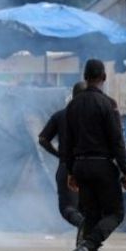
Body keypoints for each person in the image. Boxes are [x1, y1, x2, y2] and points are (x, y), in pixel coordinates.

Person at [65, 59, 126, 251]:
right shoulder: (108, 104)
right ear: (103, 78)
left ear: (85, 76)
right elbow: (116, 141)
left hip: (81, 166)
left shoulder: (72, 105)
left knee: (92, 215)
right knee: (115, 213)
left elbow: (67, 142)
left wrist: (70, 171)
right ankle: (88, 247)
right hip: (102, 165)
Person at [38, 81, 87, 234]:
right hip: (93, 167)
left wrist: (57, 154)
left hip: (67, 166)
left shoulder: (60, 115)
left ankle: (82, 225)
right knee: (87, 208)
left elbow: (43, 139)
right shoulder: (96, 117)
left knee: (67, 207)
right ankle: (85, 244)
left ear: (73, 96)